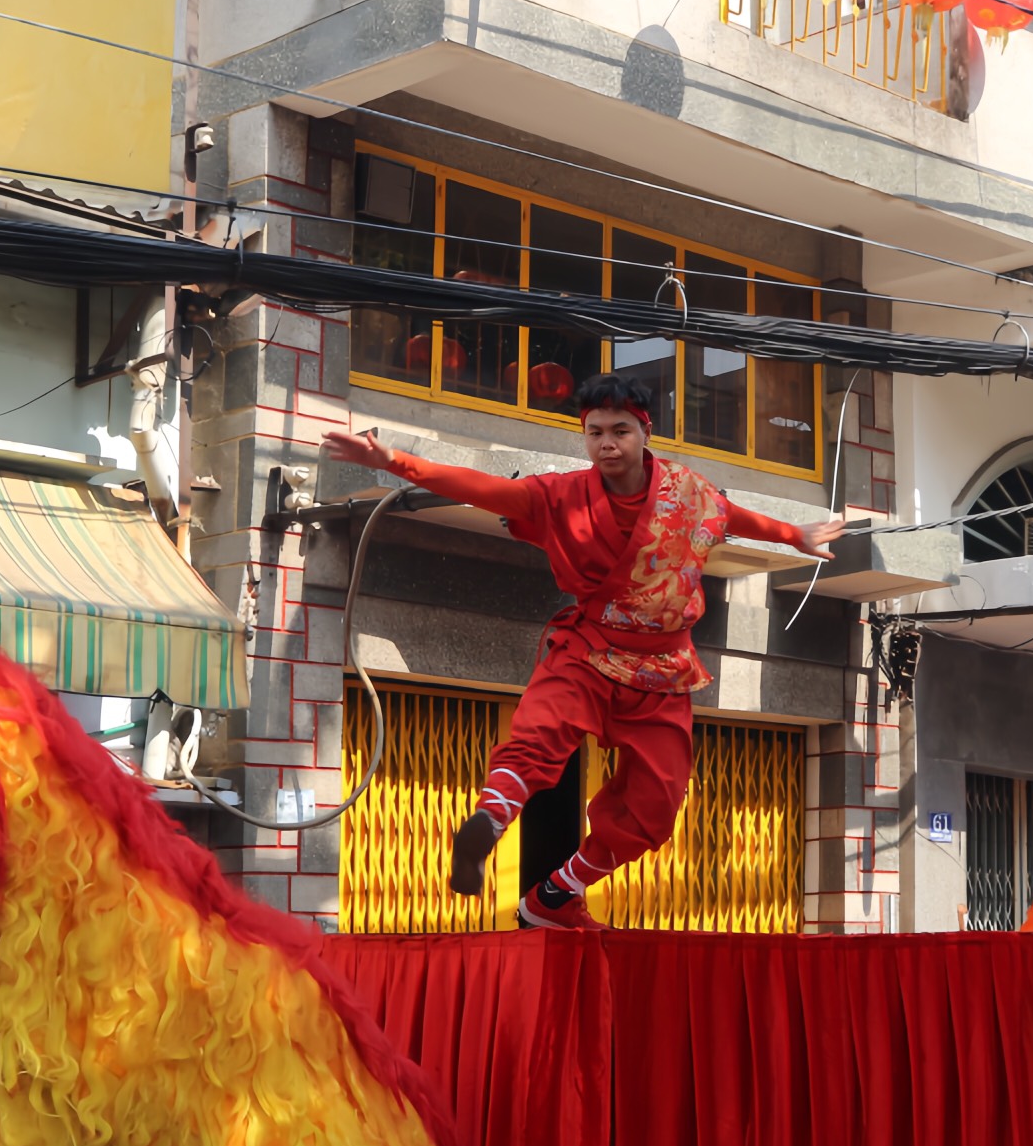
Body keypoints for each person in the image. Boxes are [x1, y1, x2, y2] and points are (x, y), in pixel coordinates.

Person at [323, 376, 841, 929]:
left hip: (663, 670)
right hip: (590, 649)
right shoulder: (561, 495)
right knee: (539, 732)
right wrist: (397, 461)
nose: (607, 443)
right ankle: (491, 820)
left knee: (657, 805)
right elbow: (482, 488)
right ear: (584, 437)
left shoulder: (688, 493)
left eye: (620, 430)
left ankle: (554, 896)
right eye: (595, 432)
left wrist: (794, 535)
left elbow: (734, 518)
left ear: (646, 431)